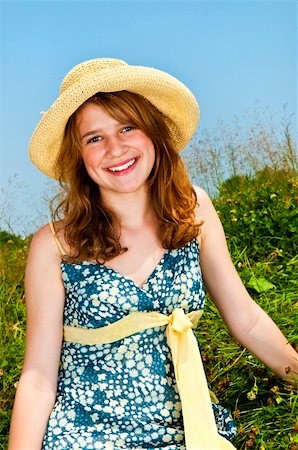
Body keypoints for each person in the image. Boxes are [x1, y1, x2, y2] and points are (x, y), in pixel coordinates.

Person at [8, 58, 297, 450]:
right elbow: (39, 377)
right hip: (88, 437)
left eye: (128, 127)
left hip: (190, 433)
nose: (115, 148)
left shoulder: (193, 210)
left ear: (153, 134)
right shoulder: (55, 246)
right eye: (94, 138)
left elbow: (245, 320)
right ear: (79, 157)